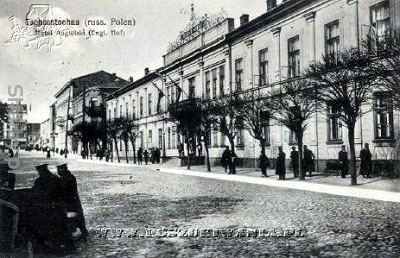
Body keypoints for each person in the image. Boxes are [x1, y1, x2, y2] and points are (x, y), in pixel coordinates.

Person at [30, 163, 73, 252]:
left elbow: (35, 194)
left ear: (40, 171)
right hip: (58, 207)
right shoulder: (55, 178)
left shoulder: (39, 181)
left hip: (46, 208)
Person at [57, 163, 89, 240]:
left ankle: (73, 233)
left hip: (69, 201)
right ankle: (83, 231)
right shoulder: (69, 176)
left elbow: (64, 190)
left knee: (71, 216)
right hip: (73, 200)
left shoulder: (66, 178)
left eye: (59, 169)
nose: (58, 171)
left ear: (63, 169)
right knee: (78, 216)